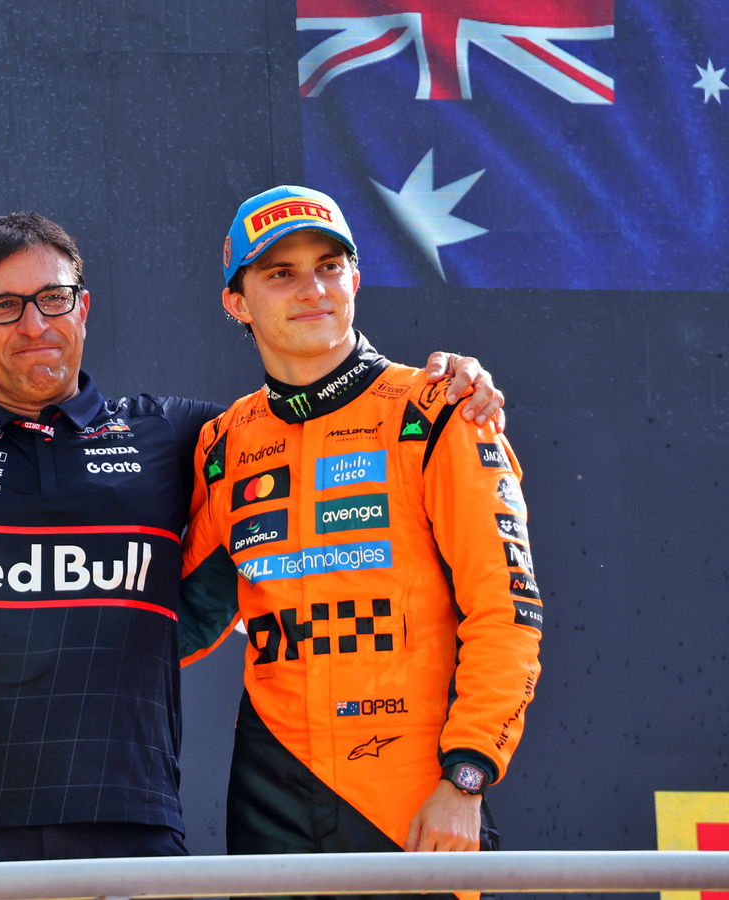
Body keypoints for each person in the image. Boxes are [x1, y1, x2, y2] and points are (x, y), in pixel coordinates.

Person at [0, 68, 509, 865]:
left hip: (132, 825)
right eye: (3, 307)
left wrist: (446, 381)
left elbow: (314, 423)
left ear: (85, 307)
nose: (36, 324)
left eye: (55, 298)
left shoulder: (190, 436)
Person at [177, 185, 543, 899]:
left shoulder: (440, 410)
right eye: (280, 273)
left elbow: (507, 610)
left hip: (411, 795)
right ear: (236, 302)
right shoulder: (224, 444)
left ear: (356, 277)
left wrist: (465, 778)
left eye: (330, 265)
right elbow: (179, 619)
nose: (312, 288)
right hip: (270, 791)